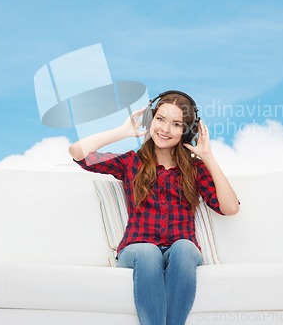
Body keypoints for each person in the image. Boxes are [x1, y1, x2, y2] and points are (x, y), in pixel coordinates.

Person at [68, 91, 239, 325]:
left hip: (180, 252)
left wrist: (208, 157)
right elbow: (78, 153)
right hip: (137, 250)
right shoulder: (131, 162)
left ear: (186, 131)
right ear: (150, 120)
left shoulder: (194, 169)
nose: (165, 129)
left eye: (176, 124)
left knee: (186, 248)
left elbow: (229, 208)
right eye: (160, 119)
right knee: (148, 252)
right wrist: (122, 132)